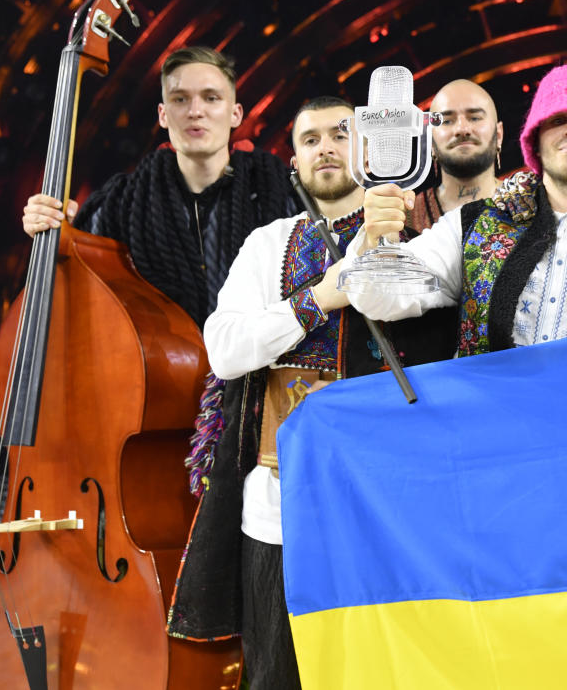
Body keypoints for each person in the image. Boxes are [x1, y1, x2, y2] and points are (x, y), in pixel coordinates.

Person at [165, 97, 452, 688]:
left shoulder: (423, 243)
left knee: (378, 670)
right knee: (275, 669)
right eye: (310, 138)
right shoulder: (267, 244)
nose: (326, 147)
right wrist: (317, 297)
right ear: (293, 162)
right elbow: (224, 348)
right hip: (276, 498)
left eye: (341, 133)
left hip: (383, 502)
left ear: (372, 150)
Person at [350, 59, 567, 353]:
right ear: (535, 138)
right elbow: (379, 298)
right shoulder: (472, 225)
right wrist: (373, 240)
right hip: (482, 424)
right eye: (558, 118)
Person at [20, 45, 297, 327]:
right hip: (157, 369)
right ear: (163, 115)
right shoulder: (121, 204)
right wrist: (58, 235)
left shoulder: (280, 195)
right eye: (180, 99)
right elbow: (78, 294)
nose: (195, 111)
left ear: (236, 113)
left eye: (211, 98)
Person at [409, 78, 504, 231]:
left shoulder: (531, 205)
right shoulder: (404, 220)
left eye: (474, 118)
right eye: (446, 121)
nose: (462, 129)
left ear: (499, 135)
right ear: (431, 142)